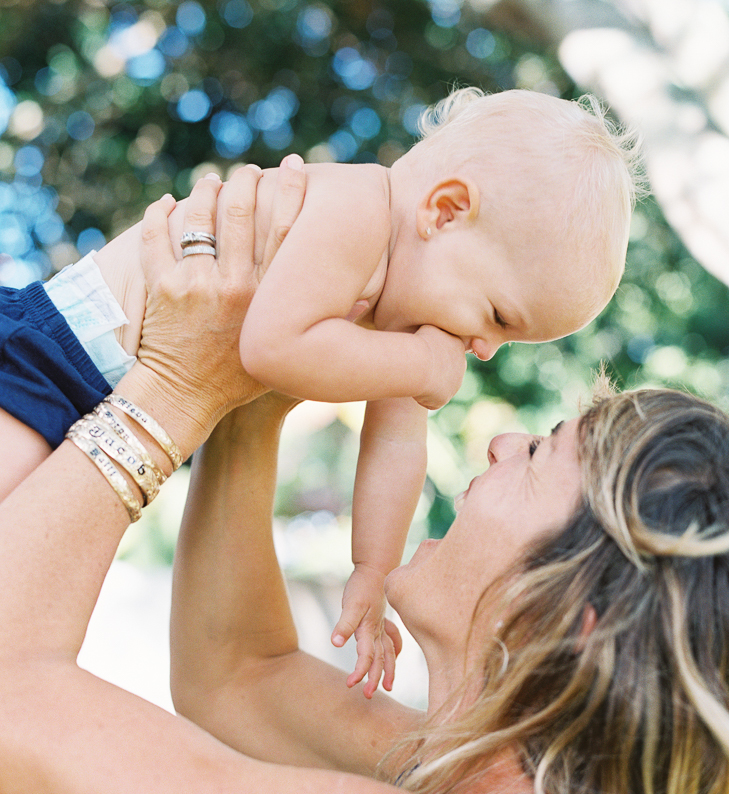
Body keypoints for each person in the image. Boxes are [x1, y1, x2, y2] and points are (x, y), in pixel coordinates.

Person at [0, 164, 729, 794]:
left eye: (540, 452)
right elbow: (236, 674)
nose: (499, 438)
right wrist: (248, 379)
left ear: (582, 616)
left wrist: (174, 386)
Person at [0, 87, 639, 695]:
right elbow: (270, 345)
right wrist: (416, 361)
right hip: (46, 355)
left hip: (90, 391)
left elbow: (396, 444)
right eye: (499, 317)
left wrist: (373, 569)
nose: (485, 349)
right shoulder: (355, 209)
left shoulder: (410, 313)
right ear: (444, 212)